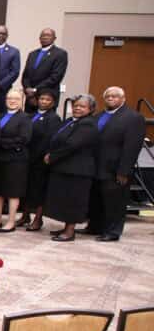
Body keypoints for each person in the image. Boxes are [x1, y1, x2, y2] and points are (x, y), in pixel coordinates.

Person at [81, 86, 146, 241]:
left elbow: (132, 146)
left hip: (116, 169)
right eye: (108, 96)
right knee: (96, 199)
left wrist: (124, 171)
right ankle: (95, 226)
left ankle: (112, 231)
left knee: (114, 202)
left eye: (115, 96)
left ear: (123, 99)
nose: (110, 98)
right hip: (95, 166)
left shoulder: (133, 117)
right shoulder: (98, 116)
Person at [45, 95, 99, 242]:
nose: (77, 108)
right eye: (75, 105)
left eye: (82, 106)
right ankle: (66, 227)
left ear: (91, 109)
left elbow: (72, 145)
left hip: (78, 170)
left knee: (73, 201)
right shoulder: (70, 121)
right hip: (64, 168)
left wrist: (53, 156)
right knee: (64, 200)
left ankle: (70, 231)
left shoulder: (88, 124)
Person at [0, 89, 32, 232]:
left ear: (21, 101)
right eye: (9, 98)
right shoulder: (0, 116)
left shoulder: (25, 118)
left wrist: (0, 142)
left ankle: (11, 222)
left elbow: (24, 139)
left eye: (16, 99)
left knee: (13, 191)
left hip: (15, 160)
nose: (12, 101)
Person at [18, 90, 61, 231]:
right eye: (42, 99)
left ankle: (38, 218)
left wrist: (39, 155)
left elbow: (50, 139)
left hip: (40, 160)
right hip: (26, 158)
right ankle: (25, 215)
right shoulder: (30, 115)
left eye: (47, 100)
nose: (44, 101)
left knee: (39, 189)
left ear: (53, 103)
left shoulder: (53, 118)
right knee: (26, 188)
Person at [21, 28, 67, 112]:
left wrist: (35, 90)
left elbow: (56, 77)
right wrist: (27, 90)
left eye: (48, 35)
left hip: (47, 97)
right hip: (30, 98)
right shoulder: (32, 54)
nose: (45, 37)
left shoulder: (60, 54)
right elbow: (26, 75)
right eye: (43, 35)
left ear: (54, 38)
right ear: (39, 38)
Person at [0, 25, 21, 108]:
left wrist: (0, 85)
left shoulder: (14, 51)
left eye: (3, 34)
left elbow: (15, 72)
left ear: (7, 36)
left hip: (3, 90)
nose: (0, 35)